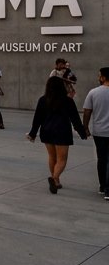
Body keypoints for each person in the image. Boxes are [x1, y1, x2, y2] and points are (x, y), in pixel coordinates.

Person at [27, 73, 87, 193]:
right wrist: (82, 132)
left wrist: (33, 133)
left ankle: (56, 180)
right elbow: (75, 118)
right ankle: (54, 178)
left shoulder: (43, 100)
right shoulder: (68, 101)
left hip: (47, 131)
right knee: (62, 159)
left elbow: (37, 118)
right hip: (62, 131)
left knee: (52, 157)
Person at [80, 66, 109, 199]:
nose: (98, 78)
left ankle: (103, 186)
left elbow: (87, 111)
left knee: (102, 159)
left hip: (99, 132)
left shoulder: (93, 92)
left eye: (99, 75)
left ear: (103, 77)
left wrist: (85, 128)